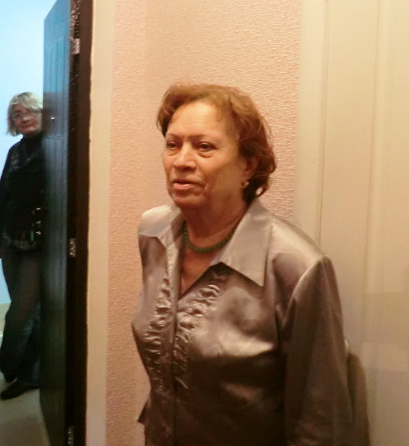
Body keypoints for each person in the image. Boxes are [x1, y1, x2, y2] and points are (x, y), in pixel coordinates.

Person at [132, 83, 354, 445]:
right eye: (173, 144)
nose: (181, 161)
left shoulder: (296, 267)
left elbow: (320, 418)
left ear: (247, 165)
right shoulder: (153, 232)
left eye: (204, 147)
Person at [0, 92, 44, 400]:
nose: (24, 118)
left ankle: (9, 363)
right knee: (27, 311)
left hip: (38, 244)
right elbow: (2, 195)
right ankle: (30, 373)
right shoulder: (15, 151)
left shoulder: (55, 148)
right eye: (17, 114)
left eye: (30, 111)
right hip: (10, 239)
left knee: (20, 313)